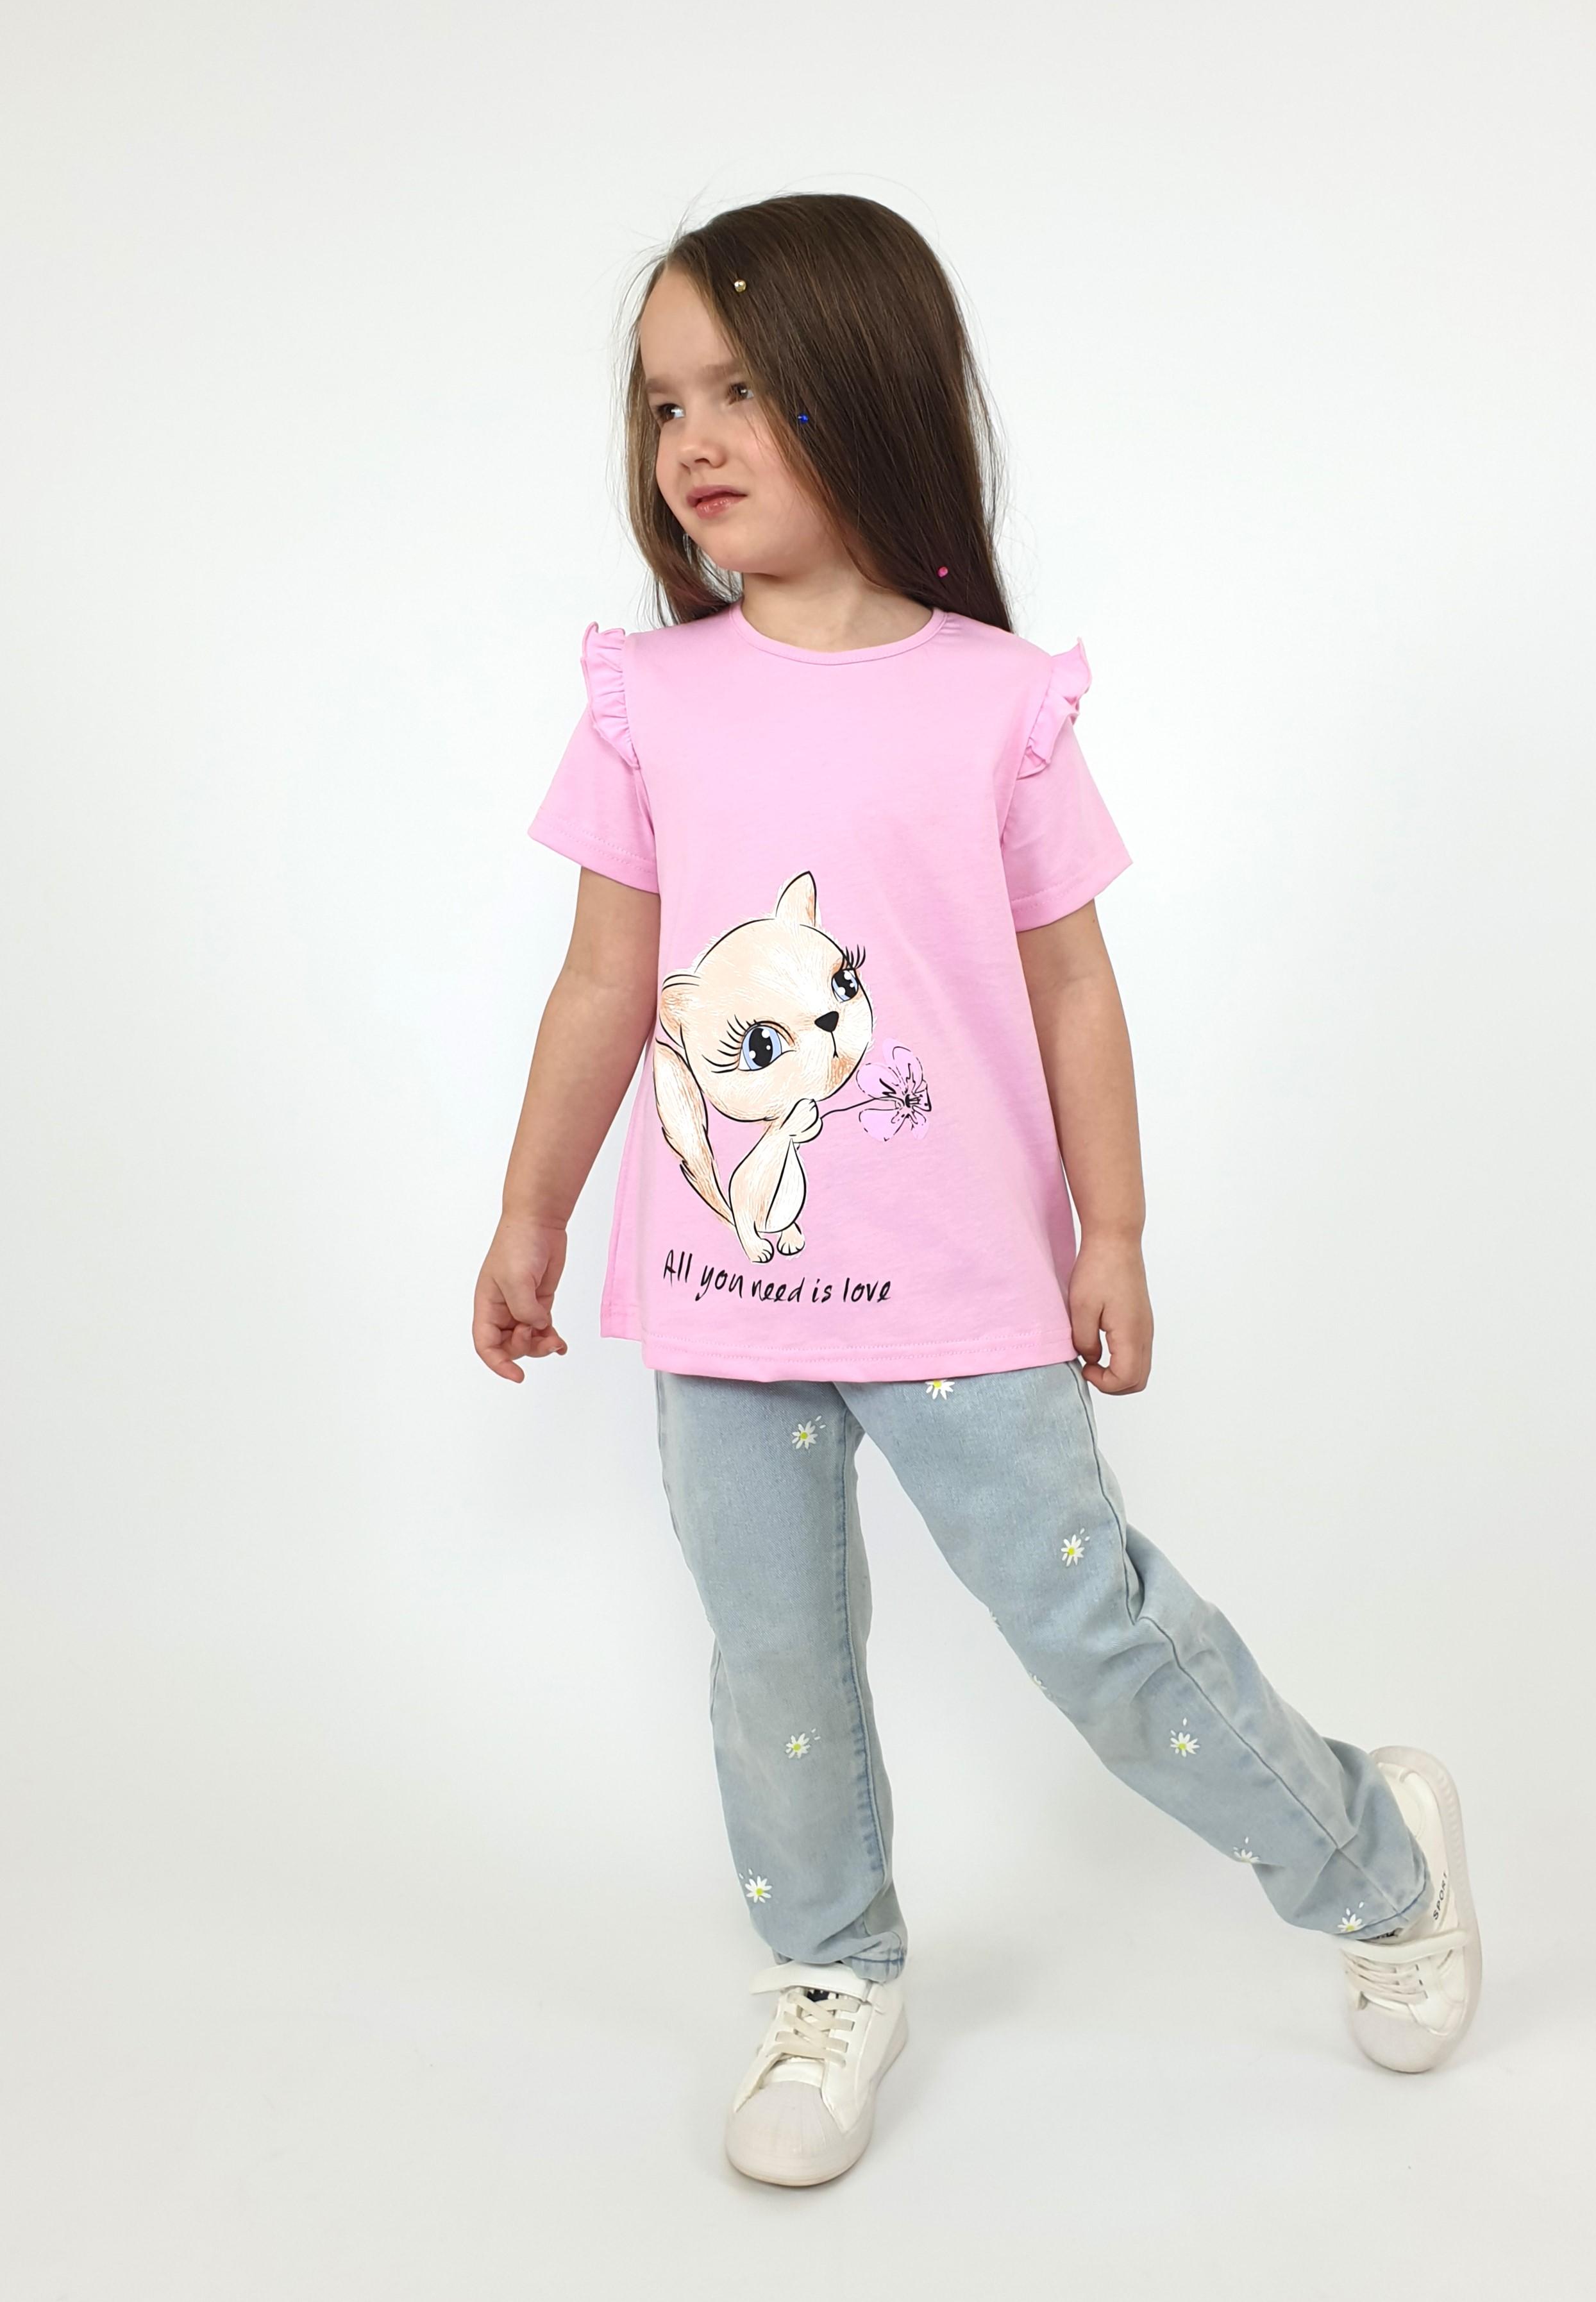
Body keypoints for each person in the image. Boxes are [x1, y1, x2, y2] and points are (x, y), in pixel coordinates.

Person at [473, 194, 1481, 2188]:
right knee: (774, 1662)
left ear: (868, 395)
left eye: (745, 392)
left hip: (966, 1294)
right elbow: (605, 981)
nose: (694, 440)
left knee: (1092, 1632)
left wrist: (1116, 1230)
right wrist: (533, 1213)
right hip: (726, 1298)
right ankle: (833, 1970)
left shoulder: (995, 701)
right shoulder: (652, 699)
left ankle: (1379, 1855)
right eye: (665, 402)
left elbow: (1070, 987)